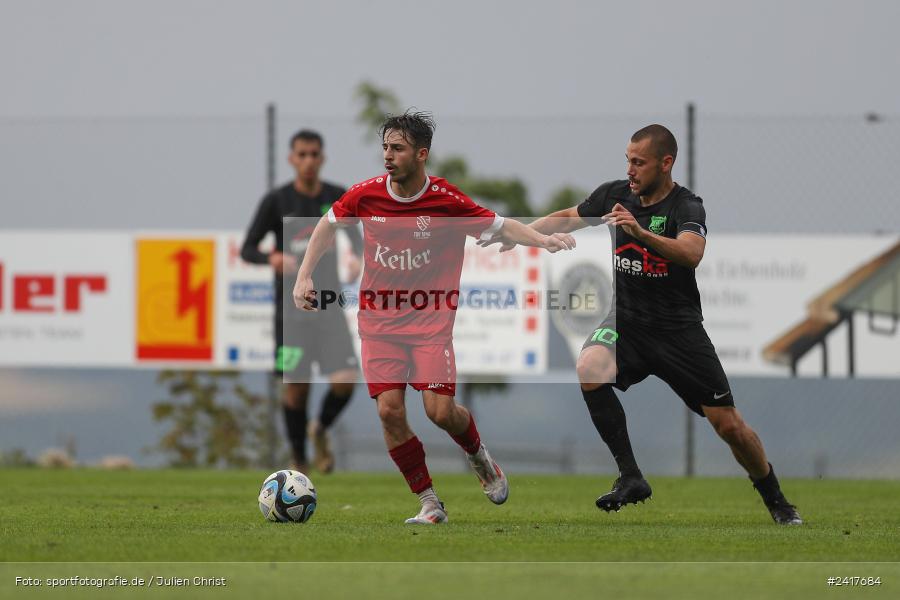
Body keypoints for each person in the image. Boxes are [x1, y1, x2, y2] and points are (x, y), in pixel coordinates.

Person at [487, 124, 802, 525]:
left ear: (665, 163)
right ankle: (631, 476)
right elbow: (568, 217)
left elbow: (691, 253)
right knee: (589, 366)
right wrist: (523, 234)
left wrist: (638, 232)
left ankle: (777, 500)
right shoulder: (615, 195)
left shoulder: (687, 206)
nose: (630, 170)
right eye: (628, 160)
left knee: (729, 426)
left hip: (678, 332)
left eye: (639, 162)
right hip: (627, 323)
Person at [292, 111, 575, 524]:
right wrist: (304, 275)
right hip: (378, 323)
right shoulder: (366, 194)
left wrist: (543, 240)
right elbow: (328, 223)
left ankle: (479, 457)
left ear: (421, 154)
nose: (388, 156)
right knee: (389, 411)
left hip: (430, 324)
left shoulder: (446, 201)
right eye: (385, 147)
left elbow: (503, 225)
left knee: (440, 412)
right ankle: (428, 502)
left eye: (398, 148)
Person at [241, 129, 362, 474]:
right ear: (292, 159)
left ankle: (319, 428)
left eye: (314, 154)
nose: (308, 161)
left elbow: (357, 237)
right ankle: (299, 459)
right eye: (302, 154)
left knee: (345, 380)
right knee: (296, 390)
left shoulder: (337, 196)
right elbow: (247, 248)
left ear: (322, 158)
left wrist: (357, 257)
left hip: (329, 307)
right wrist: (272, 259)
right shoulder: (276, 201)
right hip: (291, 313)